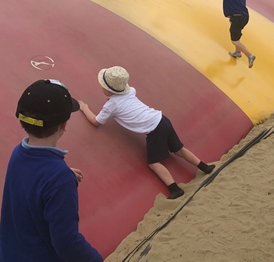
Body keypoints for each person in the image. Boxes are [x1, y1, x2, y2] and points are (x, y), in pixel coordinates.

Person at [0, 79, 108, 262]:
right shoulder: (58, 178)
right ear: (63, 125)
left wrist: (63, 173)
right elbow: (66, 241)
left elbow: (33, 179)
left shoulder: (19, 153)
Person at [78, 66, 216, 200]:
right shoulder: (130, 91)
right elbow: (123, 100)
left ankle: (175, 189)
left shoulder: (111, 105)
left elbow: (96, 121)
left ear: (108, 90)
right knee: (179, 149)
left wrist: (84, 108)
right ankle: (205, 167)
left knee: (154, 163)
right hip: (162, 119)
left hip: (154, 129)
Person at [208, 0, 260, 68]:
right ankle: (237, 52)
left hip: (237, 17)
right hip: (244, 16)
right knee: (237, 33)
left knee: (234, 39)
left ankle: (249, 55)